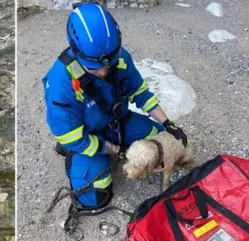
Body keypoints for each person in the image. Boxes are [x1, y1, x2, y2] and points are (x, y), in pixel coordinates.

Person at [41, 2, 187, 209]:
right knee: (95, 197)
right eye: (95, 69)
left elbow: (140, 93)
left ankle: (118, 143)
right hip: (87, 135)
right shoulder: (61, 84)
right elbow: (71, 133)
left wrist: (169, 124)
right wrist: (116, 150)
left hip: (117, 122)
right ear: (76, 51)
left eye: (107, 65)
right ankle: (70, 153)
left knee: (158, 139)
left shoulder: (119, 57)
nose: (103, 72)